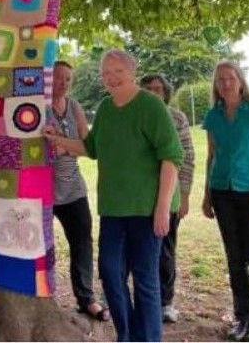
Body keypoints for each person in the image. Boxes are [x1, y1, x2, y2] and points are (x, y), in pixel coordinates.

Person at [45, 50, 184, 342]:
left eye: (117, 71)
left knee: (145, 280)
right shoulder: (106, 108)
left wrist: (162, 208)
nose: (111, 78)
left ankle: (149, 338)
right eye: (106, 73)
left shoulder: (151, 106)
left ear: (133, 72)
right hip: (113, 210)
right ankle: (128, 335)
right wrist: (57, 141)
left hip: (147, 210)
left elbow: (172, 157)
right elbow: (91, 147)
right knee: (110, 275)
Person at [201, 61, 249, 342]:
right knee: (235, 260)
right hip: (223, 193)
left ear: (240, 81)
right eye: (219, 80)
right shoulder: (214, 116)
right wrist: (207, 194)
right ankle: (243, 318)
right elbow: (212, 156)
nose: (225, 84)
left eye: (229, 78)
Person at [51, 61, 109, 321]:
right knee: (39, 245)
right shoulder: (37, 106)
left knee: (83, 244)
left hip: (73, 189)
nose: (62, 83)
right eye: (58, 78)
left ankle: (86, 299)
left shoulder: (74, 107)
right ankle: (41, 295)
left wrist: (62, 146)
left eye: (67, 79)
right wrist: (66, 147)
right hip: (42, 191)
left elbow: (88, 146)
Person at [140, 74, 195, 324]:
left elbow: (187, 158)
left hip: (169, 197)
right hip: (138, 197)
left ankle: (165, 302)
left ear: (166, 93)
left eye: (158, 90)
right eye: (148, 89)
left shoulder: (177, 118)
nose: (153, 93)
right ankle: (139, 299)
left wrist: (184, 196)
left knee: (165, 250)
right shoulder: (135, 114)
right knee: (135, 250)